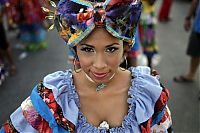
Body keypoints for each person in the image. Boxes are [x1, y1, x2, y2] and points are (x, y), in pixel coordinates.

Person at [0, 0, 173, 132]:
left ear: (126, 47)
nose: (99, 65)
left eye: (111, 49)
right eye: (87, 49)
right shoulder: (52, 98)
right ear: (74, 49)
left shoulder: (149, 95)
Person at [174, 0, 200, 82]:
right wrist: (188, 18)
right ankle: (191, 74)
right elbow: (195, 1)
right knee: (195, 52)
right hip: (198, 27)